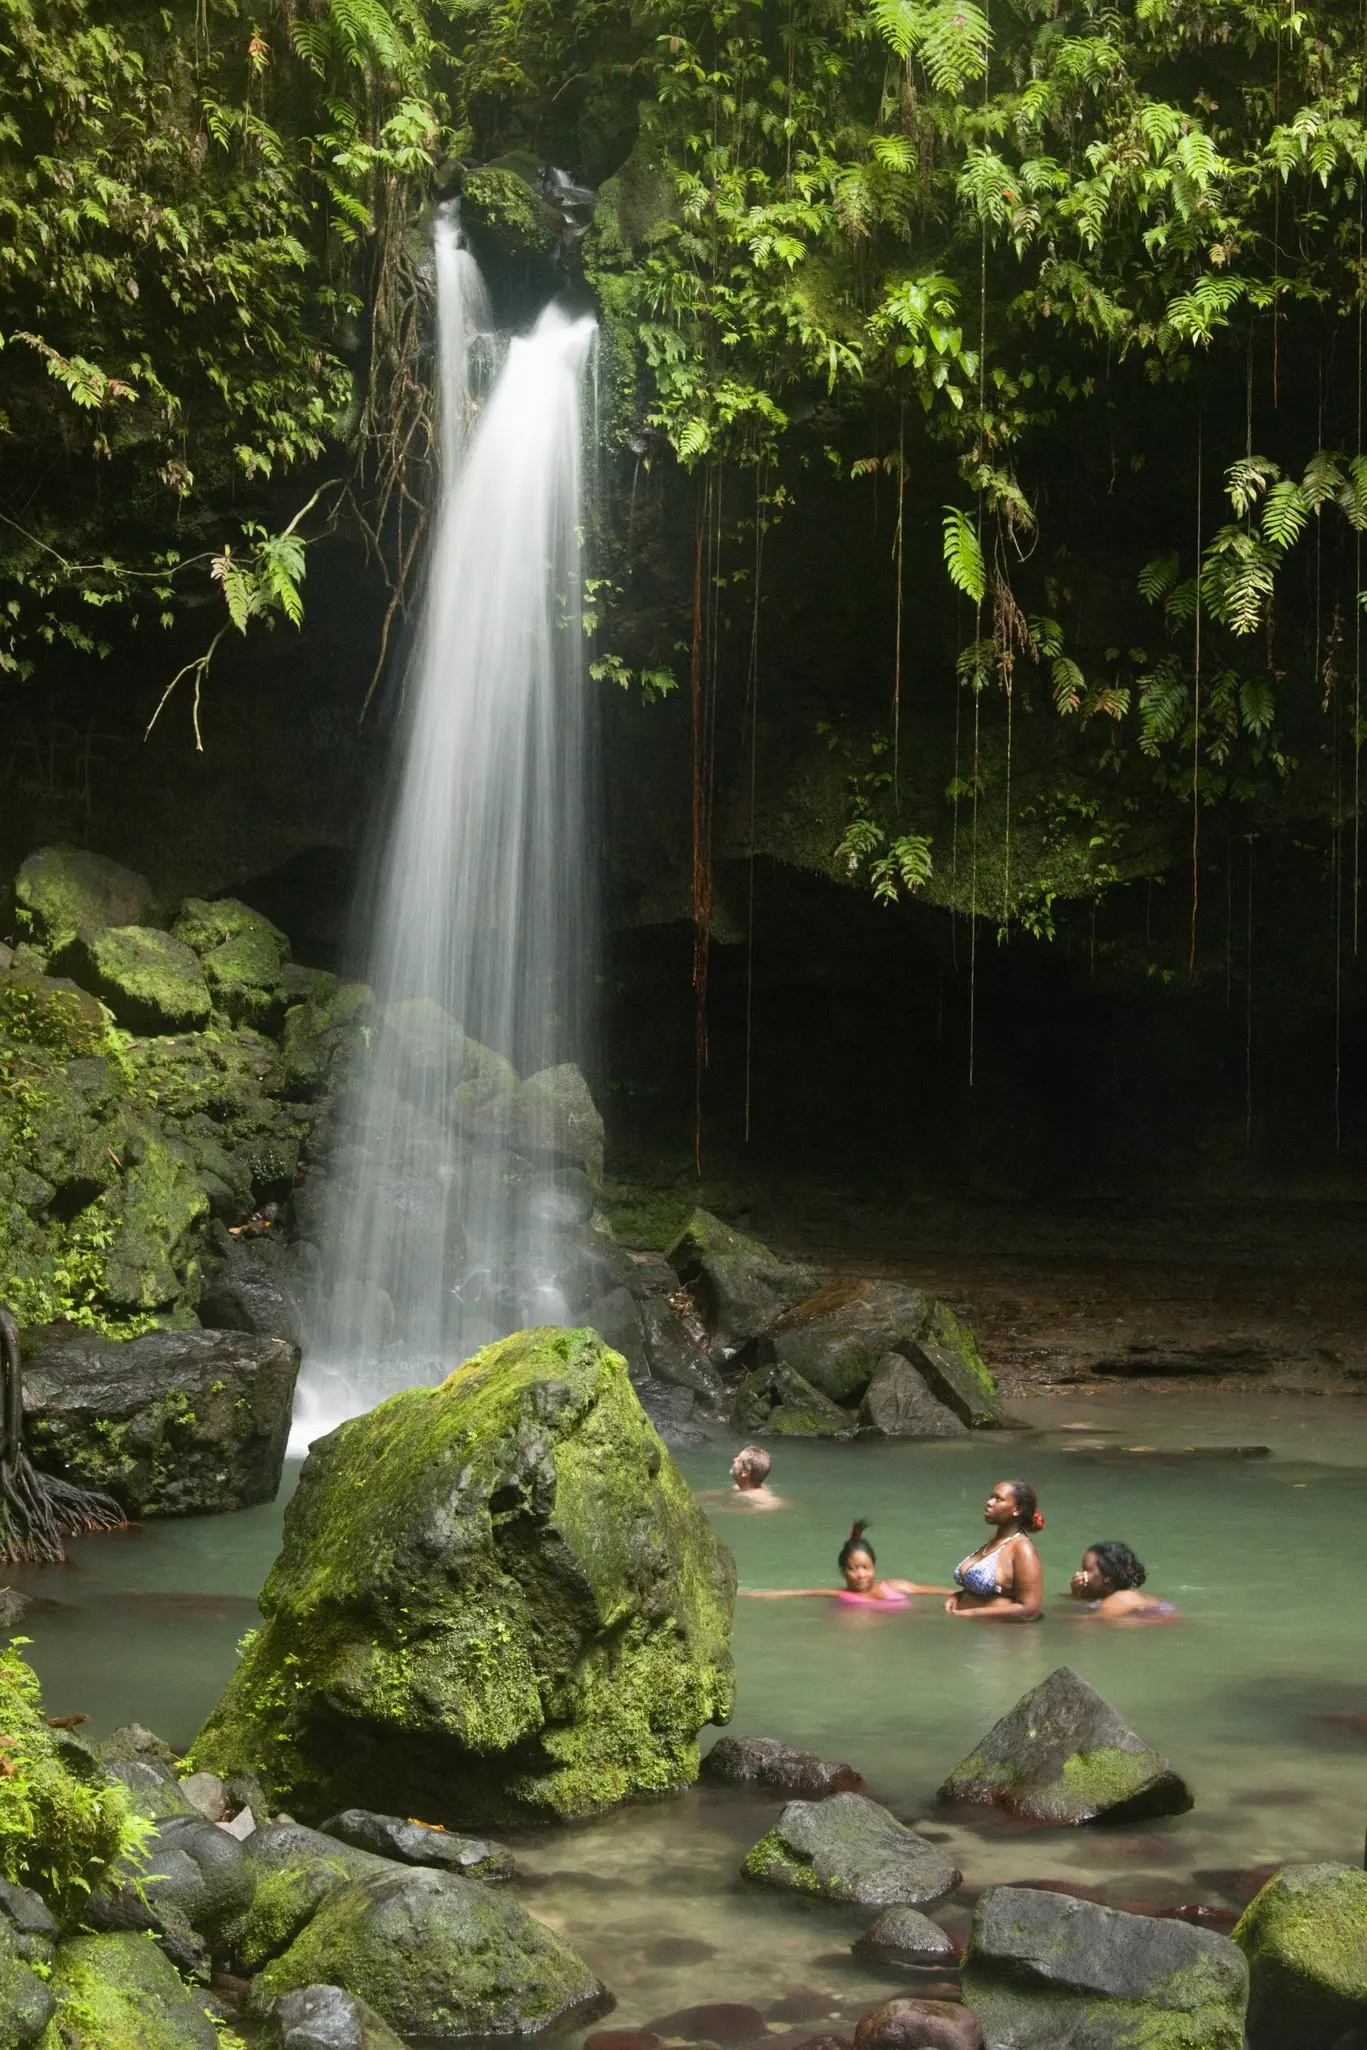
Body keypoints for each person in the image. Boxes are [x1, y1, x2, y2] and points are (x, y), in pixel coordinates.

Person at [742, 1519, 950, 1604]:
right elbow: (795, 1593)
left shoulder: (896, 1586)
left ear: (874, 1568)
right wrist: (744, 1594)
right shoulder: (839, 1594)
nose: (860, 1574)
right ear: (843, 1572)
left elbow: (942, 1592)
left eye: (865, 1568)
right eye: (853, 1569)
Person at [944, 1479, 1045, 1622]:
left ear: (1017, 1509)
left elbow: (1030, 1608)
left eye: (999, 1499)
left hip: (998, 1638)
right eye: (991, 1497)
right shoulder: (995, 1541)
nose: (989, 1502)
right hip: (972, 1630)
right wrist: (958, 1596)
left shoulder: (1022, 1548)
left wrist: (972, 1613)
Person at [1069, 1540, 1177, 1620]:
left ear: (1107, 1576)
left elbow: (1086, 1624)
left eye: (1086, 1570)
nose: (1079, 1574)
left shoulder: (1120, 1599)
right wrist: (1077, 1594)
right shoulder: (1126, 1594)